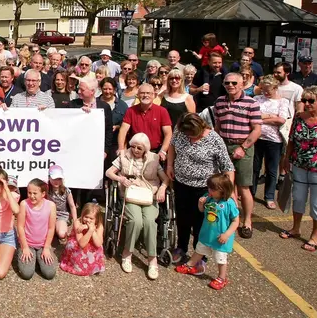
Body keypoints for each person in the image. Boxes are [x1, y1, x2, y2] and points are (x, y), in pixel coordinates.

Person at [279, 86, 317, 252]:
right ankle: (296, 228)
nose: (306, 103)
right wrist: (286, 159)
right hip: (299, 165)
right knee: (298, 198)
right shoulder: (299, 118)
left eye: (311, 100)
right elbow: (291, 140)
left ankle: (316, 236)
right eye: (304, 100)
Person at [166, 113, 235, 264]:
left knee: (201, 222)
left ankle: (200, 253)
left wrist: (229, 192)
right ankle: (181, 247)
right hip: (181, 183)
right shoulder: (180, 131)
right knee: (182, 219)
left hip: (204, 188)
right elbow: (171, 146)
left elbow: (228, 167)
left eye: (191, 134)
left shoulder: (214, 139)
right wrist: (170, 165)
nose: (188, 136)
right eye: (186, 133)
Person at [106, 133, 169, 280]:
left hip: (149, 195)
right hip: (130, 195)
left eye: (139, 148)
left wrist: (162, 188)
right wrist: (120, 178)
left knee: (149, 222)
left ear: (145, 148)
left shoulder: (154, 158)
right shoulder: (124, 156)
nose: (135, 150)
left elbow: (165, 178)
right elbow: (109, 172)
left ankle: (152, 258)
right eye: (133, 146)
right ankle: (127, 253)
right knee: (136, 221)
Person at [214, 73, 261, 239]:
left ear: (242, 84)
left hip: (243, 146)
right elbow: (217, 125)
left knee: (243, 186)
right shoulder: (219, 101)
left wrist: (243, 147)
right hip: (224, 144)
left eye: (234, 83)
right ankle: (233, 218)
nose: (231, 85)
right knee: (226, 185)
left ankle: (247, 220)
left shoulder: (251, 103)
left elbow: (257, 129)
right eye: (227, 83)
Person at [175, 173, 239, 291]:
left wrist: (227, 234)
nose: (209, 190)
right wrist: (201, 204)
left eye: (212, 189)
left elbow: (235, 221)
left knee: (220, 258)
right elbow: (202, 211)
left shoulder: (229, 203)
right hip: (207, 234)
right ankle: (190, 265)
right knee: (199, 250)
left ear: (222, 190)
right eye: (209, 188)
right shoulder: (209, 198)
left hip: (221, 238)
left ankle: (222, 277)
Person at [251, 75, 292, 210]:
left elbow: (281, 120)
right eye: (263, 90)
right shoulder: (257, 99)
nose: (266, 93)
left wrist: (262, 118)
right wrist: (271, 117)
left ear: (275, 88)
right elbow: (252, 116)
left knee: (271, 169)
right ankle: (251, 192)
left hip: (274, 140)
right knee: (255, 167)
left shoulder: (283, 102)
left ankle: (269, 196)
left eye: (268, 90)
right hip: (257, 138)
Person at [15, 178, 58, 280]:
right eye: (29, 193)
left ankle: (38, 258)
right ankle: (28, 256)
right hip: (28, 244)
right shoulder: (24, 204)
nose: (31, 196)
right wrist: (24, 247)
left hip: (43, 244)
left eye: (35, 193)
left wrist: (47, 247)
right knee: (27, 274)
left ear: (43, 194)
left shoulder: (51, 205)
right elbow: (20, 226)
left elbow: (51, 228)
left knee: (49, 274)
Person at [117, 83, 173, 158]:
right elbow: (123, 131)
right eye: (142, 93)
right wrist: (121, 148)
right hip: (134, 153)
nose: (145, 95)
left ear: (153, 95)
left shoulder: (162, 111)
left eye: (148, 93)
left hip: (155, 154)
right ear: (137, 95)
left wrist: (163, 151)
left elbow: (168, 134)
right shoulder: (130, 111)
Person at [59, 202, 104, 276]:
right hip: (79, 244)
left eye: (91, 218)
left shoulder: (99, 226)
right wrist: (90, 231)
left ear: (96, 219)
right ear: (82, 215)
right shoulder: (78, 222)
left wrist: (91, 230)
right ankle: (77, 265)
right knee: (74, 246)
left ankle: (91, 266)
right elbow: (81, 244)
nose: (88, 220)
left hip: (90, 243)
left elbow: (99, 243)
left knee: (99, 248)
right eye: (86, 217)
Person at [46, 165, 78, 244]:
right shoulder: (45, 189)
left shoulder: (66, 191)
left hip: (61, 215)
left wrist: (75, 221)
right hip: (47, 215)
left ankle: (60, 230)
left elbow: (72, 206)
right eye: (54, 179)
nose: (56, 181)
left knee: (61, 233)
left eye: (59, 179)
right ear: (49, 177)